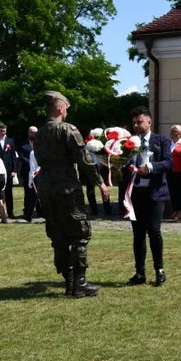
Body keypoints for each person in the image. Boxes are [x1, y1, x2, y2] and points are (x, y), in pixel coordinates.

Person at [34, 91, 111, 297]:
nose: (67, 111)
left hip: (46, 188)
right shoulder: (68, 130)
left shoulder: (40, 133)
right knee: (80, 233)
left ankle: (68, 282)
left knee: (58, 236)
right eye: (66, 107)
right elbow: (84, 160)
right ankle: (80, 282)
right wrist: (100, 182)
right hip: (66, 187)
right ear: (60, 108)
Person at [122, 107, 172, 285]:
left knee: (154, 231)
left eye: (140, 122)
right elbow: (124, 163)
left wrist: (150, 167)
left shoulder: (161, 140)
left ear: (149, 122)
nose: (136, 126)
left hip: (155, 193)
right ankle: (140, 273)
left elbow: (168, 162)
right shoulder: (128, 142)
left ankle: (159, 269)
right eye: (134, 123)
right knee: (138, 234)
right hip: (135, 194)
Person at [0, 123, 18, 219]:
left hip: (9, 170)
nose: (3, 132)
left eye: (4, 131)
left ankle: (10, 212)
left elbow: (13, 157)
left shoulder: (10, 141)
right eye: (1, 131)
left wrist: (14, 170)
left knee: (9, 192)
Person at [17, 126, 41, 222]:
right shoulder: (23, 145)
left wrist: (37, 167)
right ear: (28, 133)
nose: (33, 134)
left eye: (35, 132)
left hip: (39, 172)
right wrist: (31, 164)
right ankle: (27, 212)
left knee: (39, 193)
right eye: (31, 132)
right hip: (27, 172)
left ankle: (40, 211)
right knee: (28, 194)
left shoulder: (41, 144)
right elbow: (21, 157)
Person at [167, 125, 181, 220]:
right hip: (169, 171)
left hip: (180, 171)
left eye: (177, 131)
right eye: (173, 131)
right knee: (172, 191)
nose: (175, 133)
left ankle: (180, 211)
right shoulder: (168, 143)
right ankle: (175, 209)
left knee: (180, 191)